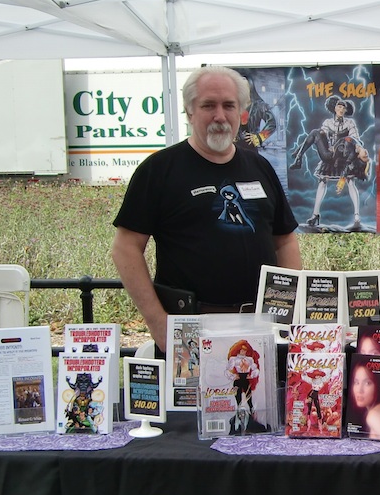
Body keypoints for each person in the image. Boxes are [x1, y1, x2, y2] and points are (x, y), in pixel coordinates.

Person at [112, 66, 301, 353]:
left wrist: (288, 310)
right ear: (189, 112)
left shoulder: (260, 167)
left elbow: (285, 240)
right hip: (191, 329)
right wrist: (158, 323)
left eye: (229, 106)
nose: (220, 116)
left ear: (242, 113)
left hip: (261, 327)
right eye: (208, 106)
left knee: (254, 398)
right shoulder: (159, 170)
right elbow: (125, 248)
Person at [292, 96, 369, 231]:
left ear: (346, 110)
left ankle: (357, 216)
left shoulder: (349, 123)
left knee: (351, 182)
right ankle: (315, 215)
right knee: (322, 181)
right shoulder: (328, 122)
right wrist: (323, 136)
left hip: (345, 156)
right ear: (334, 108)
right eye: (339, 106)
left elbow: (354, 139)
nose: (341, 109)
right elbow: (323, 135)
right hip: (330, 155)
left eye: (343, 107)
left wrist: (350, 145)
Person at [349, 361, 380, 440]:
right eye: (356, 382)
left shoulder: (374, 414)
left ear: (377, 385)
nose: (359, 390)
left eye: (367, 383)